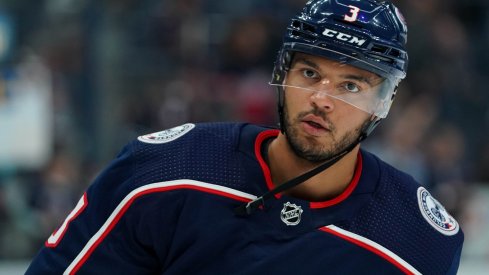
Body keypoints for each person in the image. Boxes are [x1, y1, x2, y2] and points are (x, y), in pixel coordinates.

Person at [26, 0, 464, 274]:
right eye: (310, 73)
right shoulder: (163, 173)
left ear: (383, 103)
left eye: (351, 86)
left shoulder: (416, 241)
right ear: (281, 74)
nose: (322, 99)